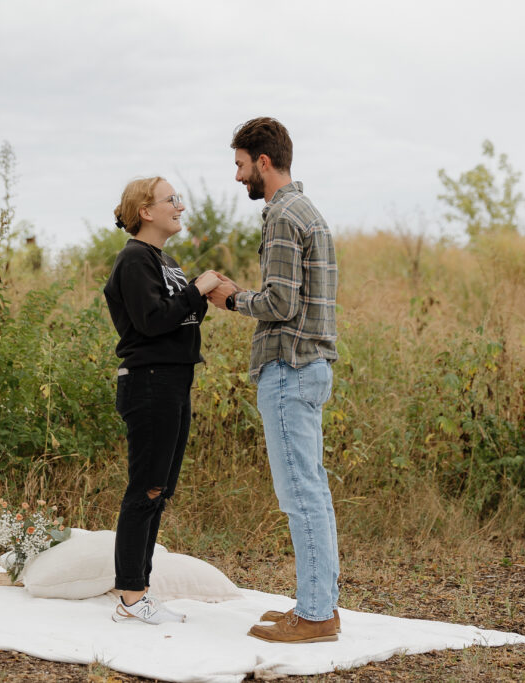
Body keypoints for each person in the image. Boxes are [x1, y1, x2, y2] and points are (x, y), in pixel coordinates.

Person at [207, 117, 341, 643]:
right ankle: (319, 604)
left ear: (263, 162)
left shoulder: (282, 215)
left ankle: (313, 616)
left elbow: (281, 304)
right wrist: (251, 294)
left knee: (301, 495)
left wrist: (232, 299)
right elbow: (295, 296)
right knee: (314, 490)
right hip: (310, 365)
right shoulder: (305, 211)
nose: (238, 176)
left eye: (240, 165)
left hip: (288, 367)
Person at [103, 176, 221, 625]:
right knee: (146, 488)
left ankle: (140, 590)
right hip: (149, 382)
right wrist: (197, 286)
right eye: (172, 199)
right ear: (146, 211)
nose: (181, 206)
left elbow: (182, 317)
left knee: (160, 490)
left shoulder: (162, 259)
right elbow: (152, 322)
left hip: (173, 381)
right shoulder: (133, 259)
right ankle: (131, 596)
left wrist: (199, 291)